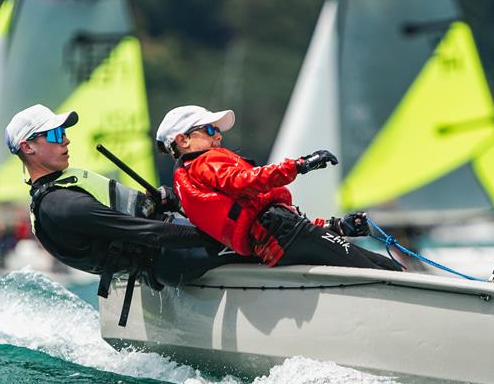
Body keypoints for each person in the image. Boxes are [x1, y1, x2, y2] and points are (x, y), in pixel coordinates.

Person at [5, 104, 252, 324]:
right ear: (27, 147)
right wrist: (220, 236)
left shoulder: (66, 184)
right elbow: (146, 231)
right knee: (261, 242)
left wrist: (165, 197)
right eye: (55, 135)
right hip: (171, 257)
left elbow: (140, 210)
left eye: (64, 133)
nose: (66, 140)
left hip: (170, 243)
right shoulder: (60, 205)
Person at [156, 105, 401, 271]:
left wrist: (334, 227)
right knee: (386, 270)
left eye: (218, 130)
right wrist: (299, 165)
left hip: (278, 240)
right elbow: (246, 181)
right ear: (183, 140)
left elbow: (269, 217)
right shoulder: (204, 161)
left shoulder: (189, 179)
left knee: (381, 266)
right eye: (210, 129)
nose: (218, 136)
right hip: (283, 233)